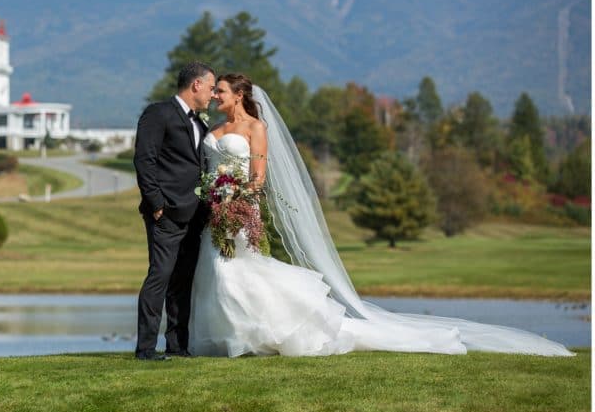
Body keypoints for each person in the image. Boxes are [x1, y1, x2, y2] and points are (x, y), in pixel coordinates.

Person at [188, 73, 574, 358]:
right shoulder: (215, 127)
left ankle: (254, 335)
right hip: (215, 207)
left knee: (234, 268)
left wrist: (235, 201)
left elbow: (258, 176)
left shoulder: (256, 127)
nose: (215, 95)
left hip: (240, 209)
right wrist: (213, 198)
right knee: (216, 267)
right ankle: (226, 337)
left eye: (221, 90)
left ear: (239, 95)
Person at [132, 62, 216, 360]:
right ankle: (145, 349)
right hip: (166, 213)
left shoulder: (200, 122)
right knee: (160, 276)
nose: (213, 94)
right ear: (196, 85)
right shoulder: (158, 113)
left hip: (195, 214)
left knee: (183, 280)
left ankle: (178, 346)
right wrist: (156, 204)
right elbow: (145, 160)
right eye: (210, 87)